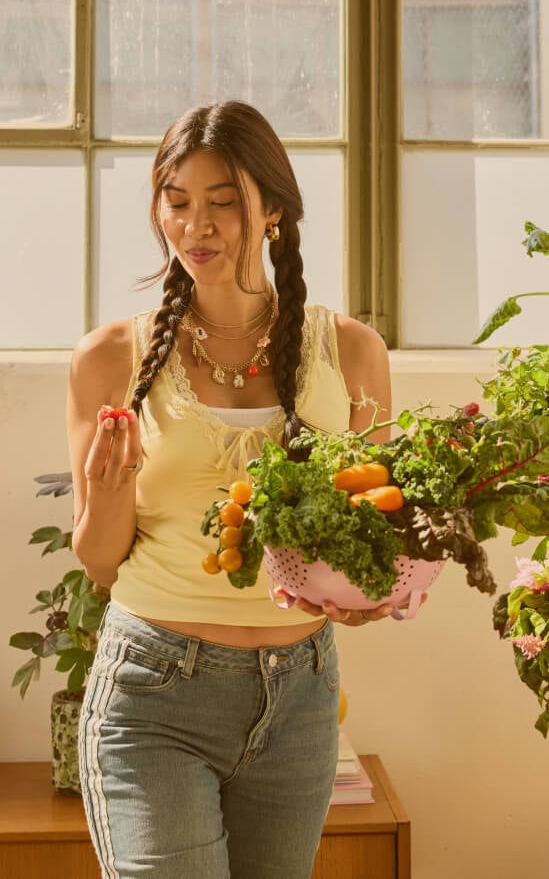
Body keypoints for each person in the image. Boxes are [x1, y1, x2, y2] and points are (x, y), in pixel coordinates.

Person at [67, 100, 392, 879]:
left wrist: (367, 588)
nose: (196, 226)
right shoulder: (110, 357)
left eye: (223, 203)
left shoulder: (349, 351)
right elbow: (101, 561)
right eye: (177, 202)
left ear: (272, 208)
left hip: (301, 694)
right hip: (154, 692)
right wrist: (110, 487)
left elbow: (374, 532)